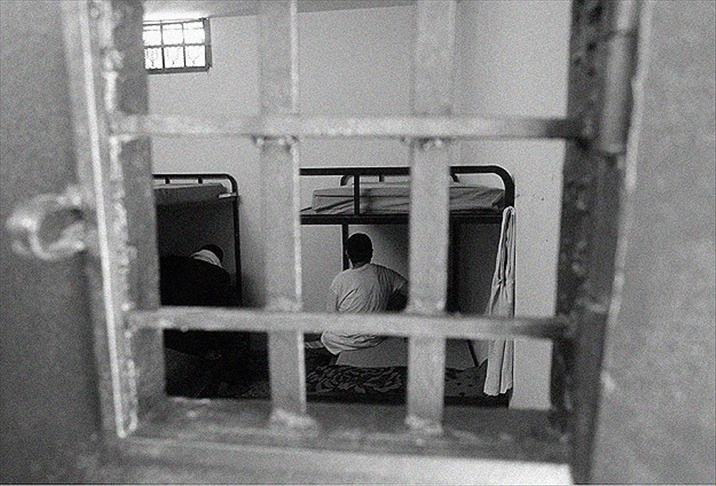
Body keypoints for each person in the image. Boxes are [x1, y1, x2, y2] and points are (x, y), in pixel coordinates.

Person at [306, 233, 408, 358]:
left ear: (347, 254)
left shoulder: (340, 279)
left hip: (344, 340)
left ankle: (318, 350)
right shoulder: (386, 273)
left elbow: (331, 318)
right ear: (371, 253)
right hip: (373, 339)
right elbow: (411, 291)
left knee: (321, 336)